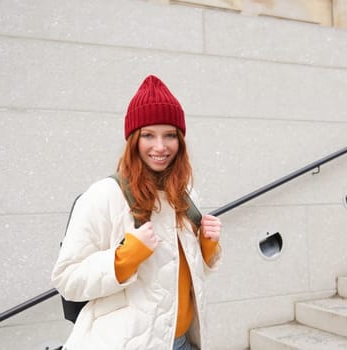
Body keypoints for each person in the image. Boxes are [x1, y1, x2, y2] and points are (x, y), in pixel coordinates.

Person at [51, 75, 222, 349]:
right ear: (133, 140)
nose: (160, 146)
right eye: (148, 135)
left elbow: (179, 275)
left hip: (181, 342)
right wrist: (125, 257)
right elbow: (67, 279)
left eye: (170, 135)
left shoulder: (184, 194)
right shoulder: (104, 195)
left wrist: (207, 247)